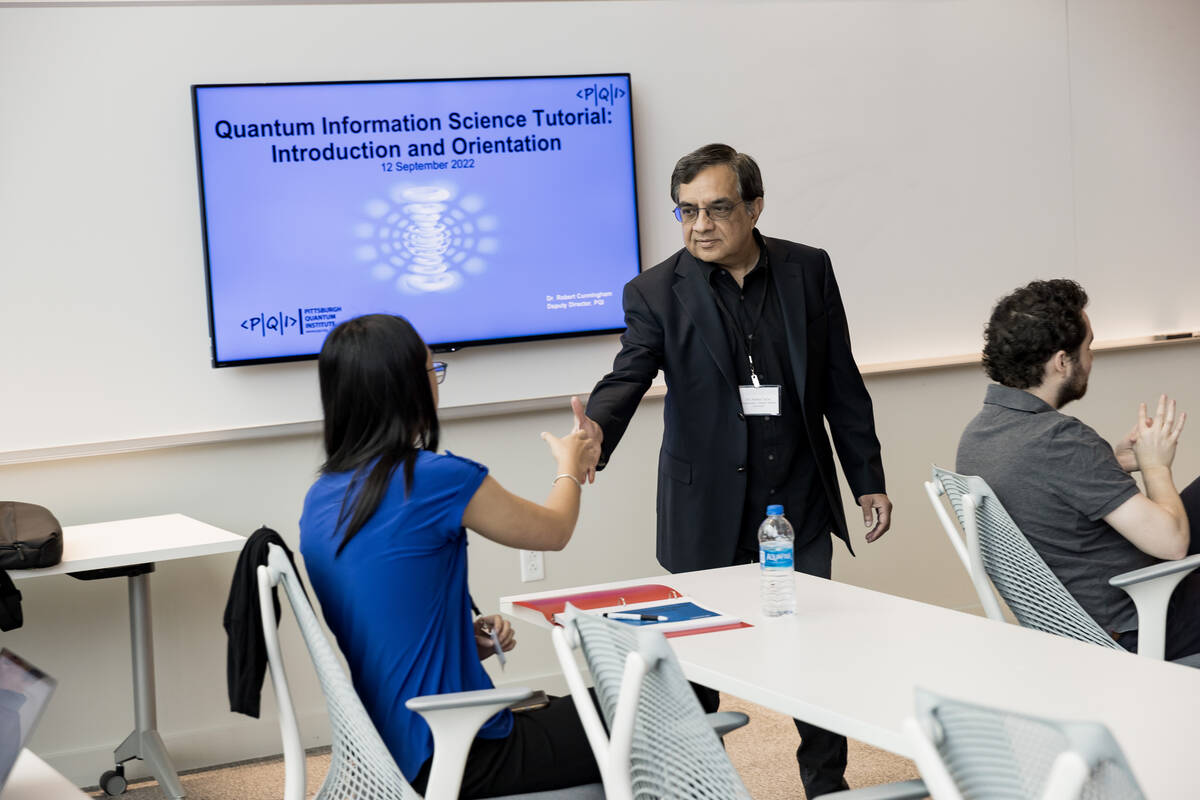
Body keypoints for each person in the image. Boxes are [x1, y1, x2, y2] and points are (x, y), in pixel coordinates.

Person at [576, 143, 892, 797]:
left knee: (816, 654)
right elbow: (628, 374)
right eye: (686, 211)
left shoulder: (808, 271)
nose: (700, 226)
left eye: (717, 208)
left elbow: (841, 379)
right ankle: (695, 785)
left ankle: (826, 783)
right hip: (707, 509)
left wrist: (867, 476)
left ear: (753, 207)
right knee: (698, 666)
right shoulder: (656, 292)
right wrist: (595, 434)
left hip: (798, 499)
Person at [298, 314, 602, 797]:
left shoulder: (321, 497)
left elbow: (383, 618)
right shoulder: (434, 479)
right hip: (462, 750)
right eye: (430, 370)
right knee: (685, 696)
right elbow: (554, 530)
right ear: (405, 389)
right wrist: (571, 463)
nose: (435, 383)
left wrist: (462, 640)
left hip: (388, 748)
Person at [957, 279, 1200, 659]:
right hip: (1137, 620)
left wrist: (1112, 463)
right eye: (1088, 348)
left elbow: (1042, 488)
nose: (1090, 359)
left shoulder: (980, 433)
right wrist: (1156, 467)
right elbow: (1172, 544)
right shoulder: (1061, 440)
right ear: (1061, 361)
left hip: (1078, 612)